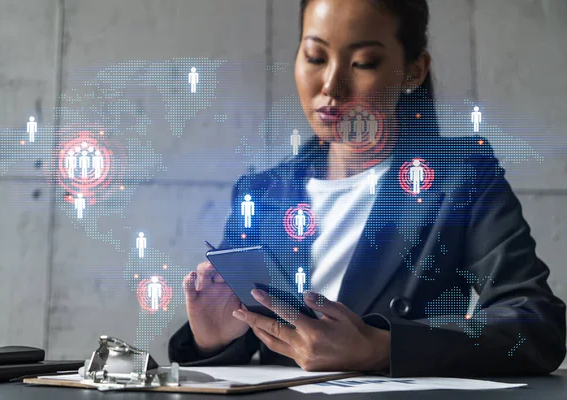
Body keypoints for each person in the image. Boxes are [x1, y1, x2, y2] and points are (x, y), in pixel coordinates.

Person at [168, 0, 566, 377]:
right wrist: (213, 338)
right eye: (315, 57)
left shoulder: (461, 179)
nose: (331, 85)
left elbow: (536, 325)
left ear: (413, 70)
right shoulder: (261, 192)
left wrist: (383, 348)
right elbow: (246, 352)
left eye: (363, 62)